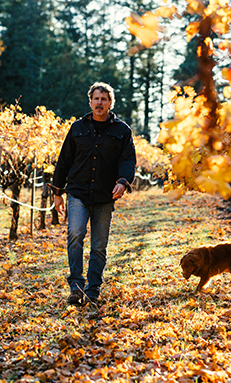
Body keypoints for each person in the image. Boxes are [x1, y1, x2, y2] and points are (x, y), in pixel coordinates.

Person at [51, 82, 136, 307]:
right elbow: (64, 160)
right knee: (75, 234)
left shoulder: (122, 131)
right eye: (96, 98)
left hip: (105, 196)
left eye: (104, 99)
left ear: (110, 103)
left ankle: (93, 288)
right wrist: (58, 191)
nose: (100, 103)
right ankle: (76, 287)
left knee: (99, 245)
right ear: (90, 101)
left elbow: (128, 161)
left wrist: (123, 182)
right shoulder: (77, 128)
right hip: (78, 192)